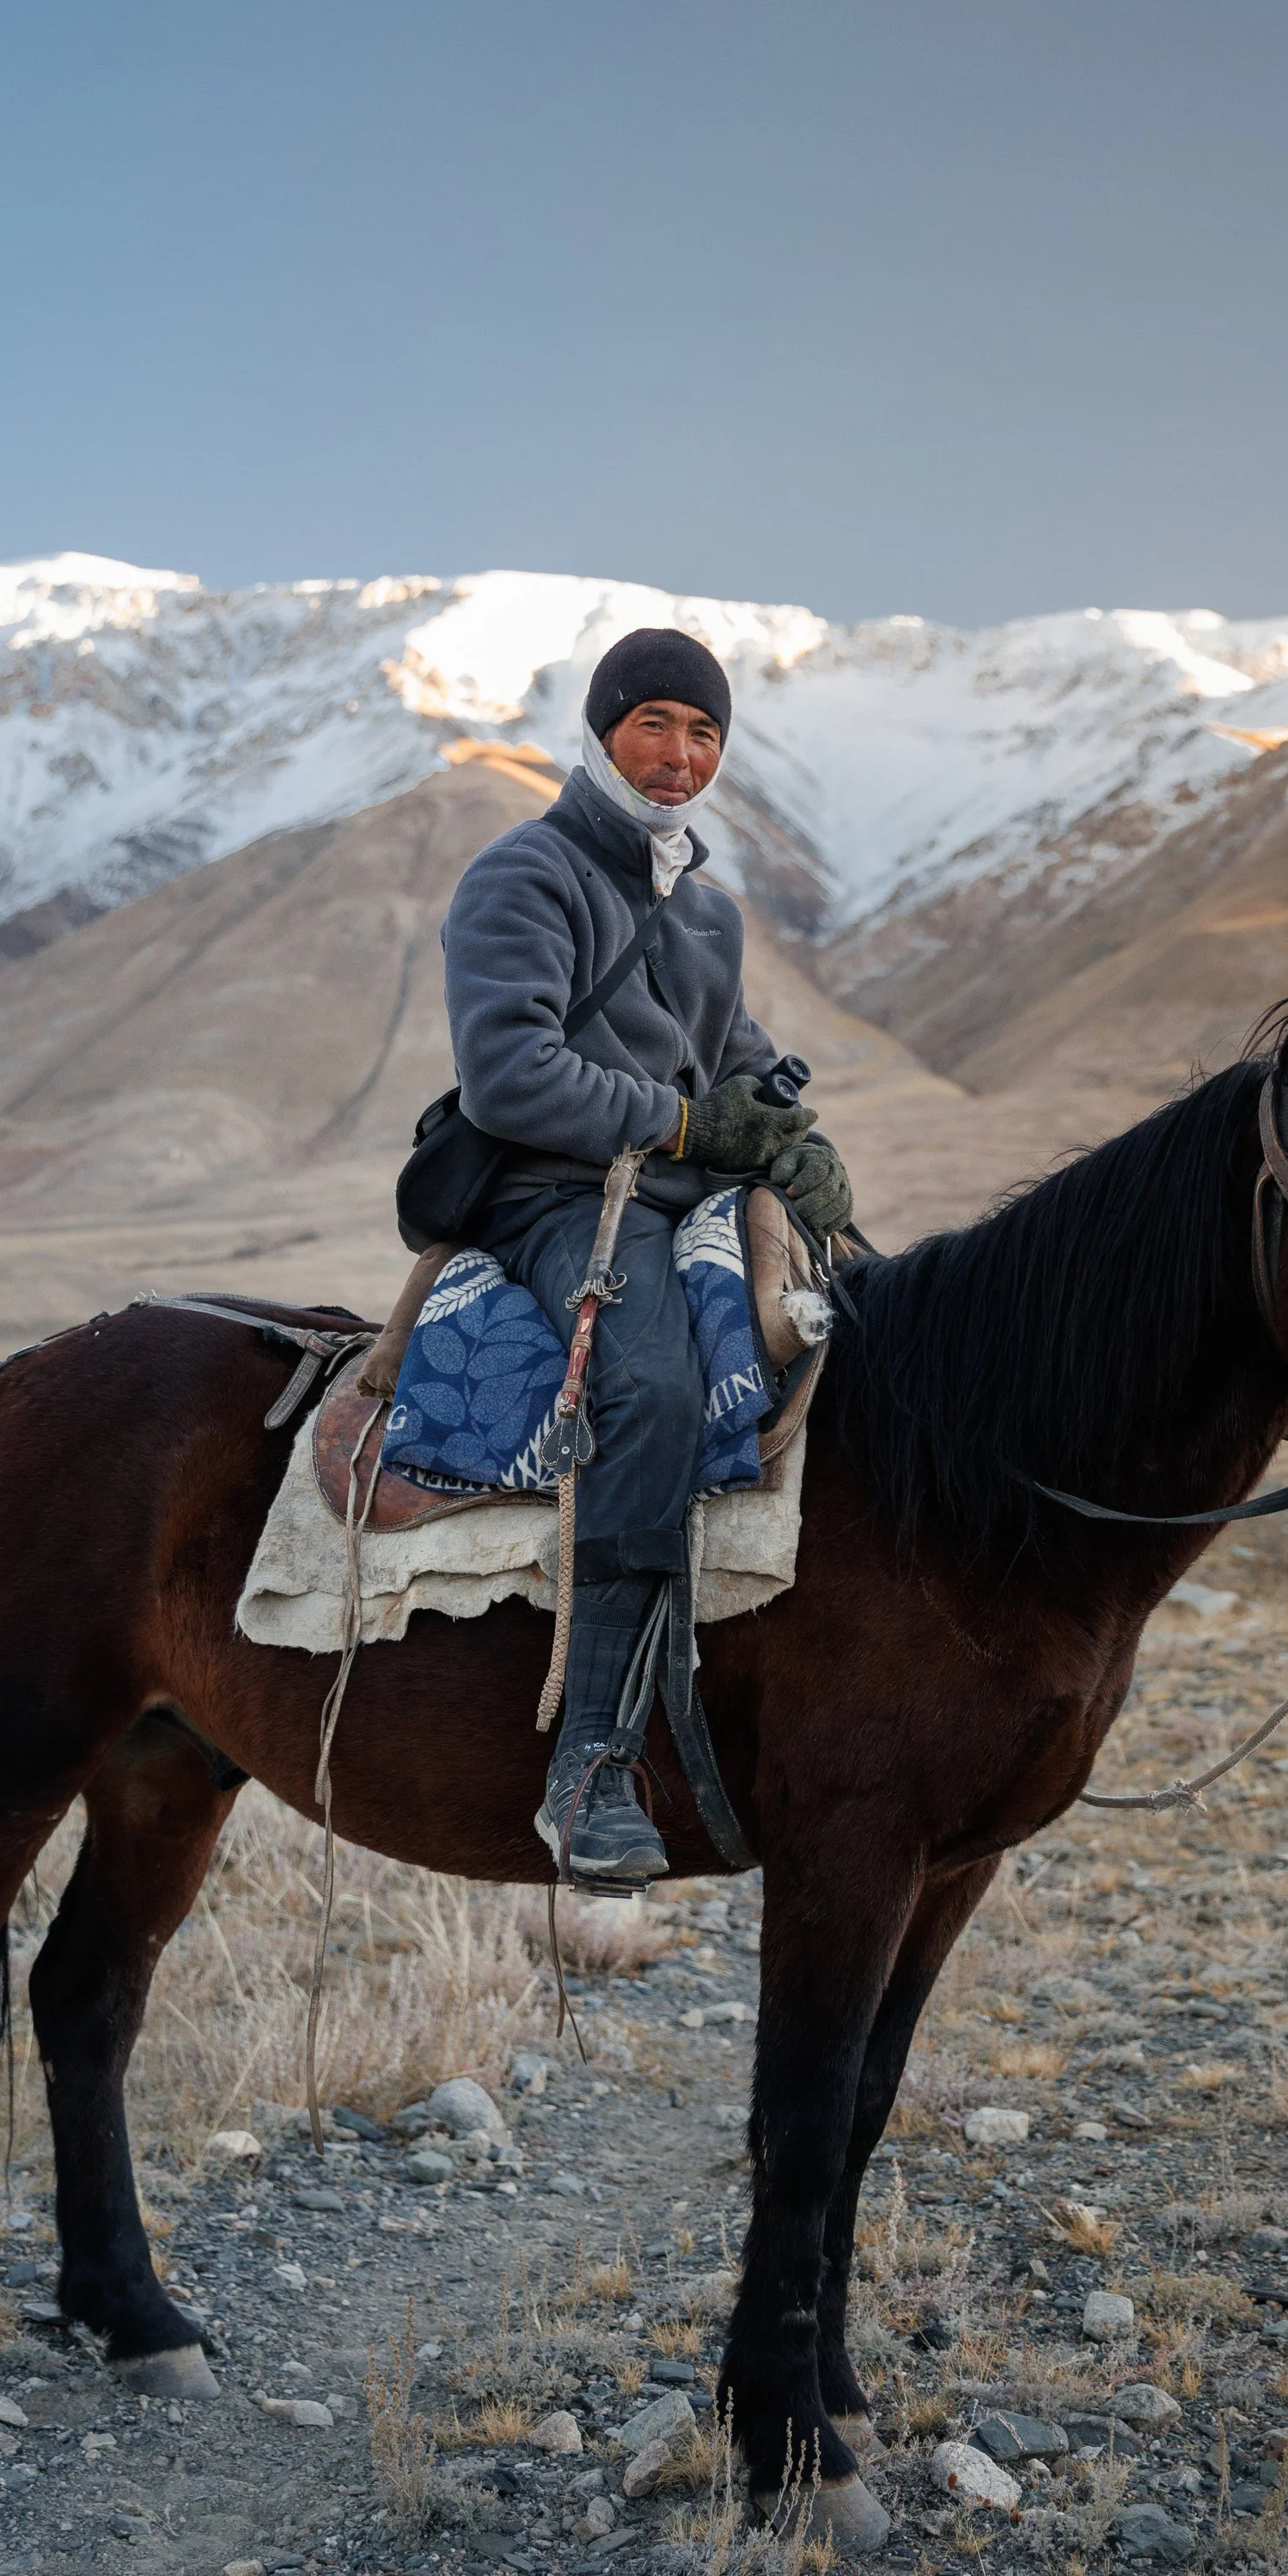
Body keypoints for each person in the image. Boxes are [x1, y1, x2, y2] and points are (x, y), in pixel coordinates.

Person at [442, 626, 852, 1885]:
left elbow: (735, 1060)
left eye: (705, 732)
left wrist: (797, 1148)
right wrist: (684, 1127)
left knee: (874, 1329)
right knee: (657, 1387)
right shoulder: (526, 874)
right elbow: (509, 1074)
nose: (681, 755)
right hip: (557, 1194)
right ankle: (590, 1765)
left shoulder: (706, 908)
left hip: (680, 1195)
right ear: (604, 733)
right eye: (656, 724)